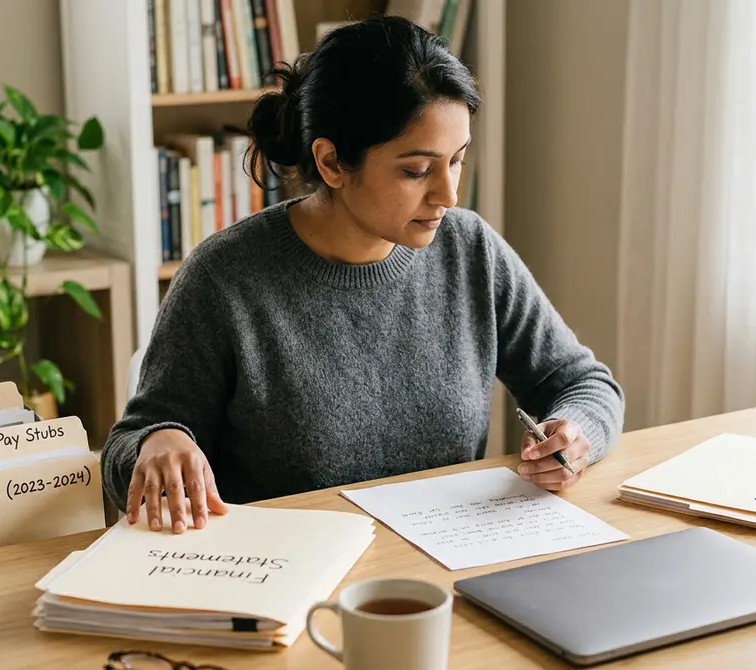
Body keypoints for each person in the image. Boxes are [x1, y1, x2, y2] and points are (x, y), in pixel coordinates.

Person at [101, 14, 625, 534]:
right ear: (330, 163)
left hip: (443, 568)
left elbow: (582, 382)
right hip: (285, 578)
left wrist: (576, 432)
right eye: (417, 171)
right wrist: (159, 440)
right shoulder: (226, 278)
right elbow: (129, 444)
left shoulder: (470, 250)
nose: (449, 194)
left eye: (457, 160)